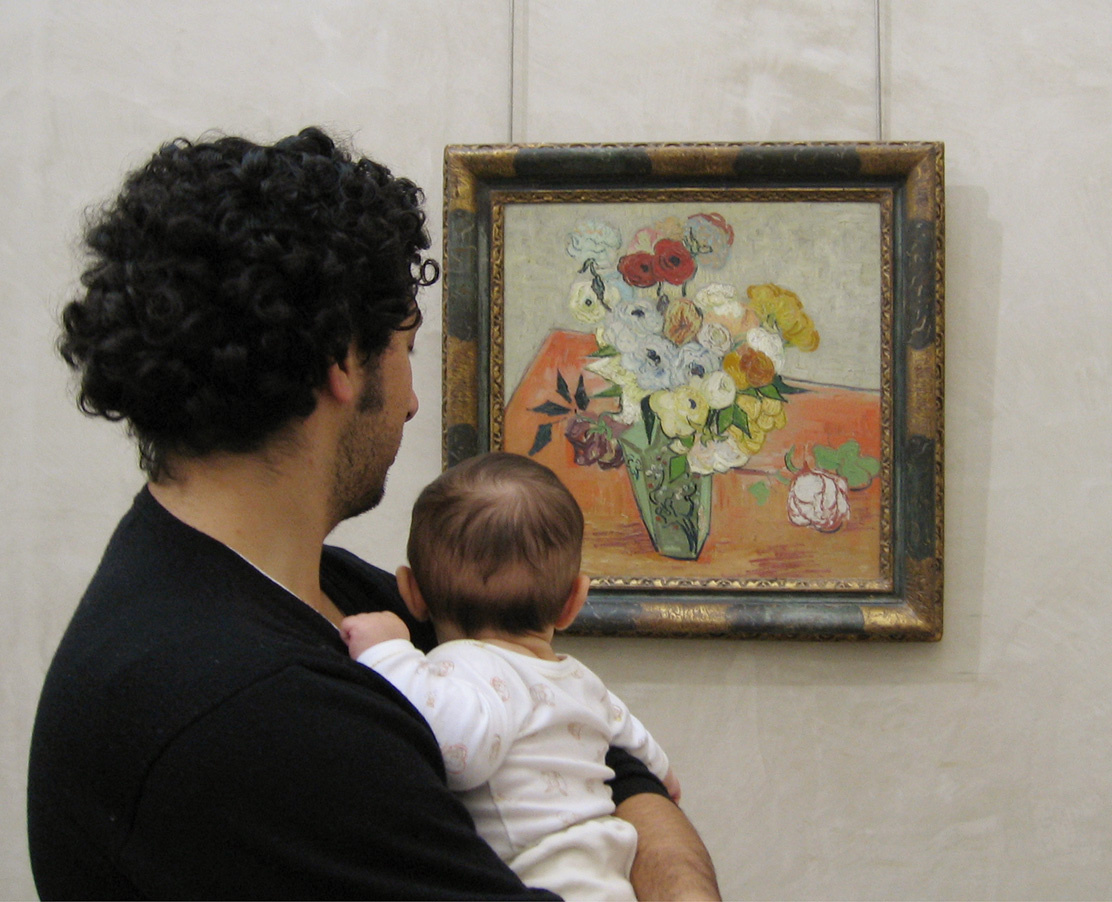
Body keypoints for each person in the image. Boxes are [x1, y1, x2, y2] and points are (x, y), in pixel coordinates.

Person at [27, 127, 720, 900]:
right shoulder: (252, 716)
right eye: (406, 349)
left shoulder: (335, 593)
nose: (413, 402)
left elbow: (601, 759)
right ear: (341, 361)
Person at [342, 452, 687, 901]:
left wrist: (387, 651)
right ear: (573, 601)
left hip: (546, 880)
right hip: (605, 874)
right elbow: (632, 738)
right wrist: (662, 774)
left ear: (411, 593)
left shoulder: (465, 665)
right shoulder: (580, 680)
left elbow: (460, 753)